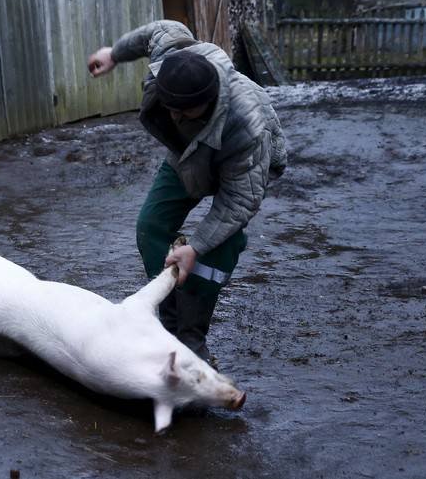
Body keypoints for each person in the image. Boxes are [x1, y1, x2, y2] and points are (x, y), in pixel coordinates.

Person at [87, 20, 286, 363]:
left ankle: (192, 337)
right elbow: (155, 31)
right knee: (151, 226)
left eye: (184, 111)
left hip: (236, 167)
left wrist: (196, 246)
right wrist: (114, 54)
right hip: (187, 156)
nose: (174, 115)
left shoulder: (246, 125)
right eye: (170, 107)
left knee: (214, 251)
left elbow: (239, 200)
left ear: (208, 101)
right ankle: (169, 319)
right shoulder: (172, 55)